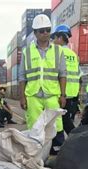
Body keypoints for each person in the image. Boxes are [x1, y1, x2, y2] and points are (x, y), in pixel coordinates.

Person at [19, 14, 67, 153]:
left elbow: (62, 74)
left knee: (56, 123)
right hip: (33, 94)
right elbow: (22, 76)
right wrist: (22, 97)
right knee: (34, 125)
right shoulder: (27, 52)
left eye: (47, 30)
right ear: (35, 33)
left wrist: (63, 95)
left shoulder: (58, 51)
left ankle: (57, 151)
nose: (45, 33)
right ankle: (35, 151)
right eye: (41, 31)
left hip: (52, 94)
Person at [51, 24, 80, 134]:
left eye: (54, 38)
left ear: (60, 38)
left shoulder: (57, 52)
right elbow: (78, 74)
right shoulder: (73, 54)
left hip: (61, 91)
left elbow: (56, 73)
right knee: (64, 118)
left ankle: (77, 140)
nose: (53, 41)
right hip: (72, 92)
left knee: (62, 119)